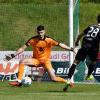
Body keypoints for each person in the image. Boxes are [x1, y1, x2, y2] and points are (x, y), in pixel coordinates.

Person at [5, 25, 75, 87]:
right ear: (37, 32)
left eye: (41, 32)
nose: (40, 34)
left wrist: (71, 49)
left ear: (44, 32)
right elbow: (23, 48)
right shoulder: (33, 40)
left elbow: (60, 45)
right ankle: (19, 82)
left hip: (46, 61)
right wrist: (13, 55)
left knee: (54, 78)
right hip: (36, 60)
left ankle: (67, 82)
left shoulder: (49, 40)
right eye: (39, 33)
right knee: (22, 61)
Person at [63, 14, 100, 91]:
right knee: (93, 63)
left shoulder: (91, 26)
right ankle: (89, 75)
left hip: (84, 45)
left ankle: (68, 80)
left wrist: (76, 42)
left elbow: (80, 34)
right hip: (93, 48)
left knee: (75, 63)